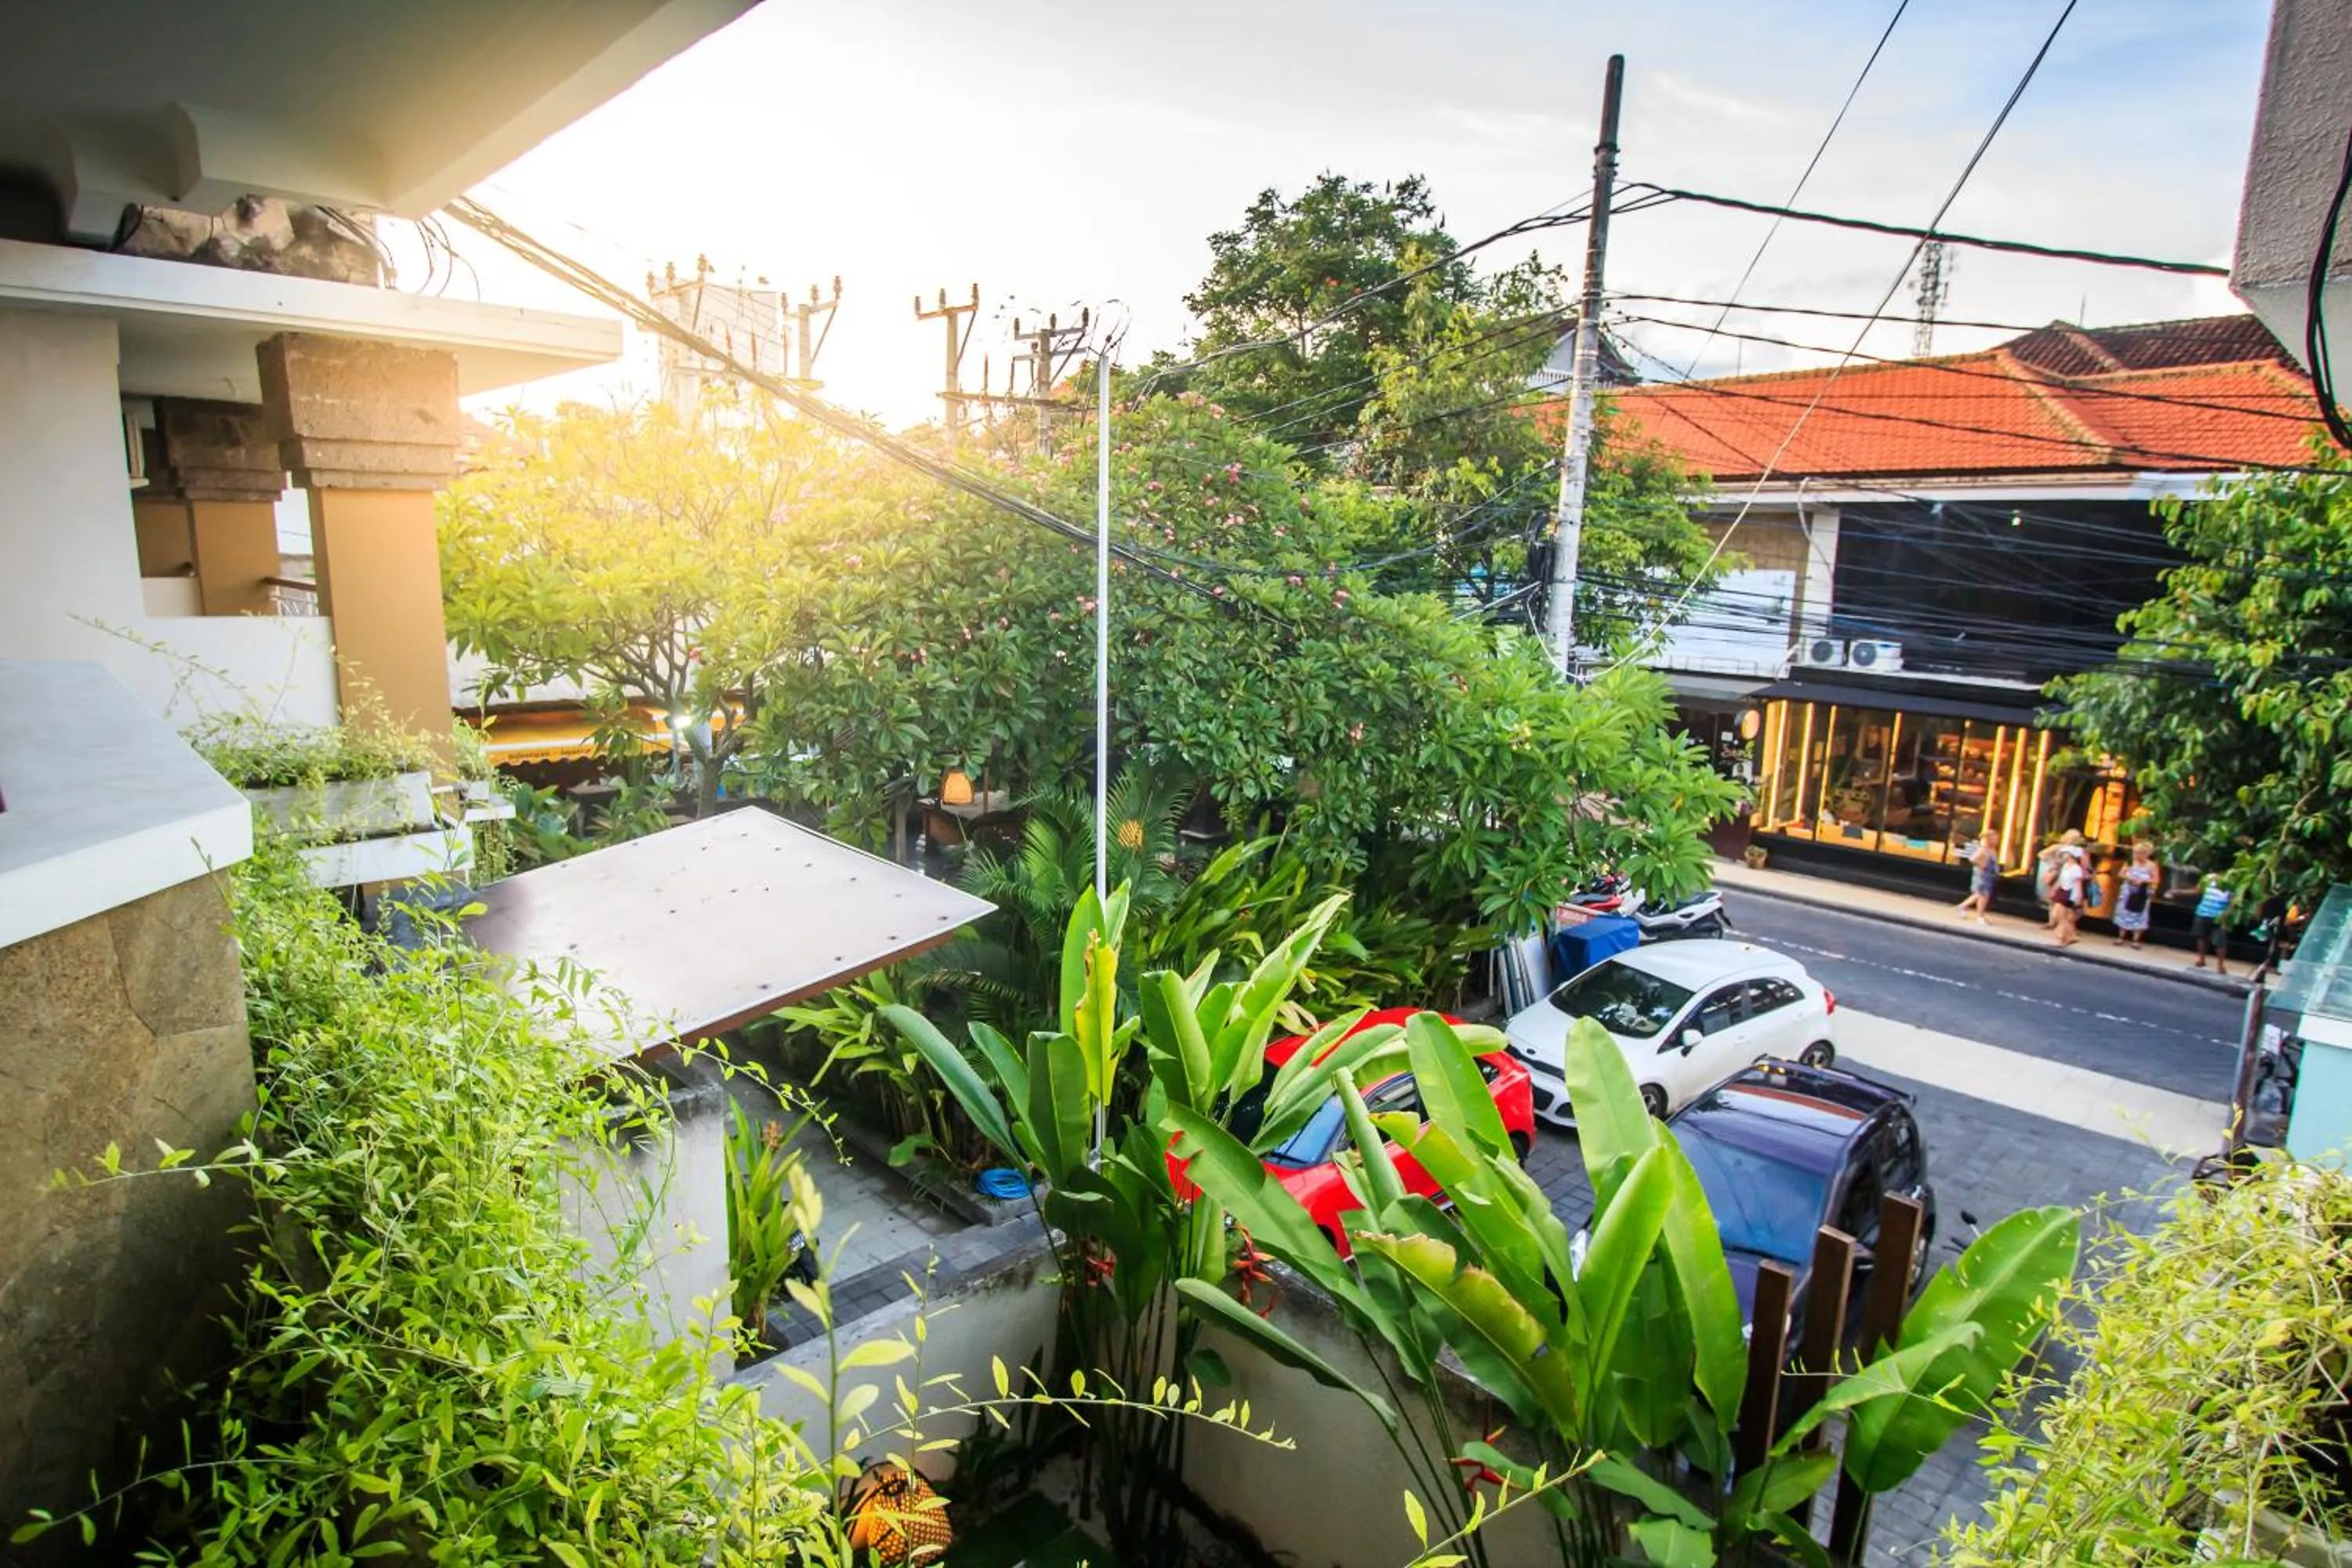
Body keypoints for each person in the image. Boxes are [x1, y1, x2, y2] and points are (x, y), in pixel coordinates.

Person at [2112, 841, 2158, 949]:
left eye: (2140, 853)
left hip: (2142, 892)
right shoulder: (2130, 862)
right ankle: (2121, 937)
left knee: (2140, 914)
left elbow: (2156, 879)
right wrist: (2130, 878)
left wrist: (2143, 881)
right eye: (2136, 853)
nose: (2137, 856)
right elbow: (2121, 874)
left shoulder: (2152, 865)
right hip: (2128, 890)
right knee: (2124, 912)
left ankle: (2136, 940)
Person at [2191, 873, 2234, 974]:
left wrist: (2227, 913)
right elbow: (2198, 890)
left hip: (2218, 916)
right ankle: (2201, 959)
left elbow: (2233, 900)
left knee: (2220, 941)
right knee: (2201, 937)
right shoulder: (2208, 878)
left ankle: (2220, 965)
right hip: (2203, 912)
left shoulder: (2230, 883)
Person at [2050, 838, 2088, 947]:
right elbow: (2061, 879)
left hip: (2069, 893)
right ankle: (2069, 935)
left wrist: (2078, 897)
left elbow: (2078, 884)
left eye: (2066, 854)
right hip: (2062, 890)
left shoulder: (2076, 869)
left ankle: (2062, 936)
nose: (2064, 856)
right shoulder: (2066, 866)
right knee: (2062, 916)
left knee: (2060, 914)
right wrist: (2054, 889)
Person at [1955, 838, 1998, 924]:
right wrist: (1982, 866)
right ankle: (1979, 916)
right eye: (1994, 838)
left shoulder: (1991, 850)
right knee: (1983, 895)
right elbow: (1973, 859)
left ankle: (1963, 907)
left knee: (1981, 895)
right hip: (1983, 876)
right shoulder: (1984, 849)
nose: (1996, 840)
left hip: (1989, 875)